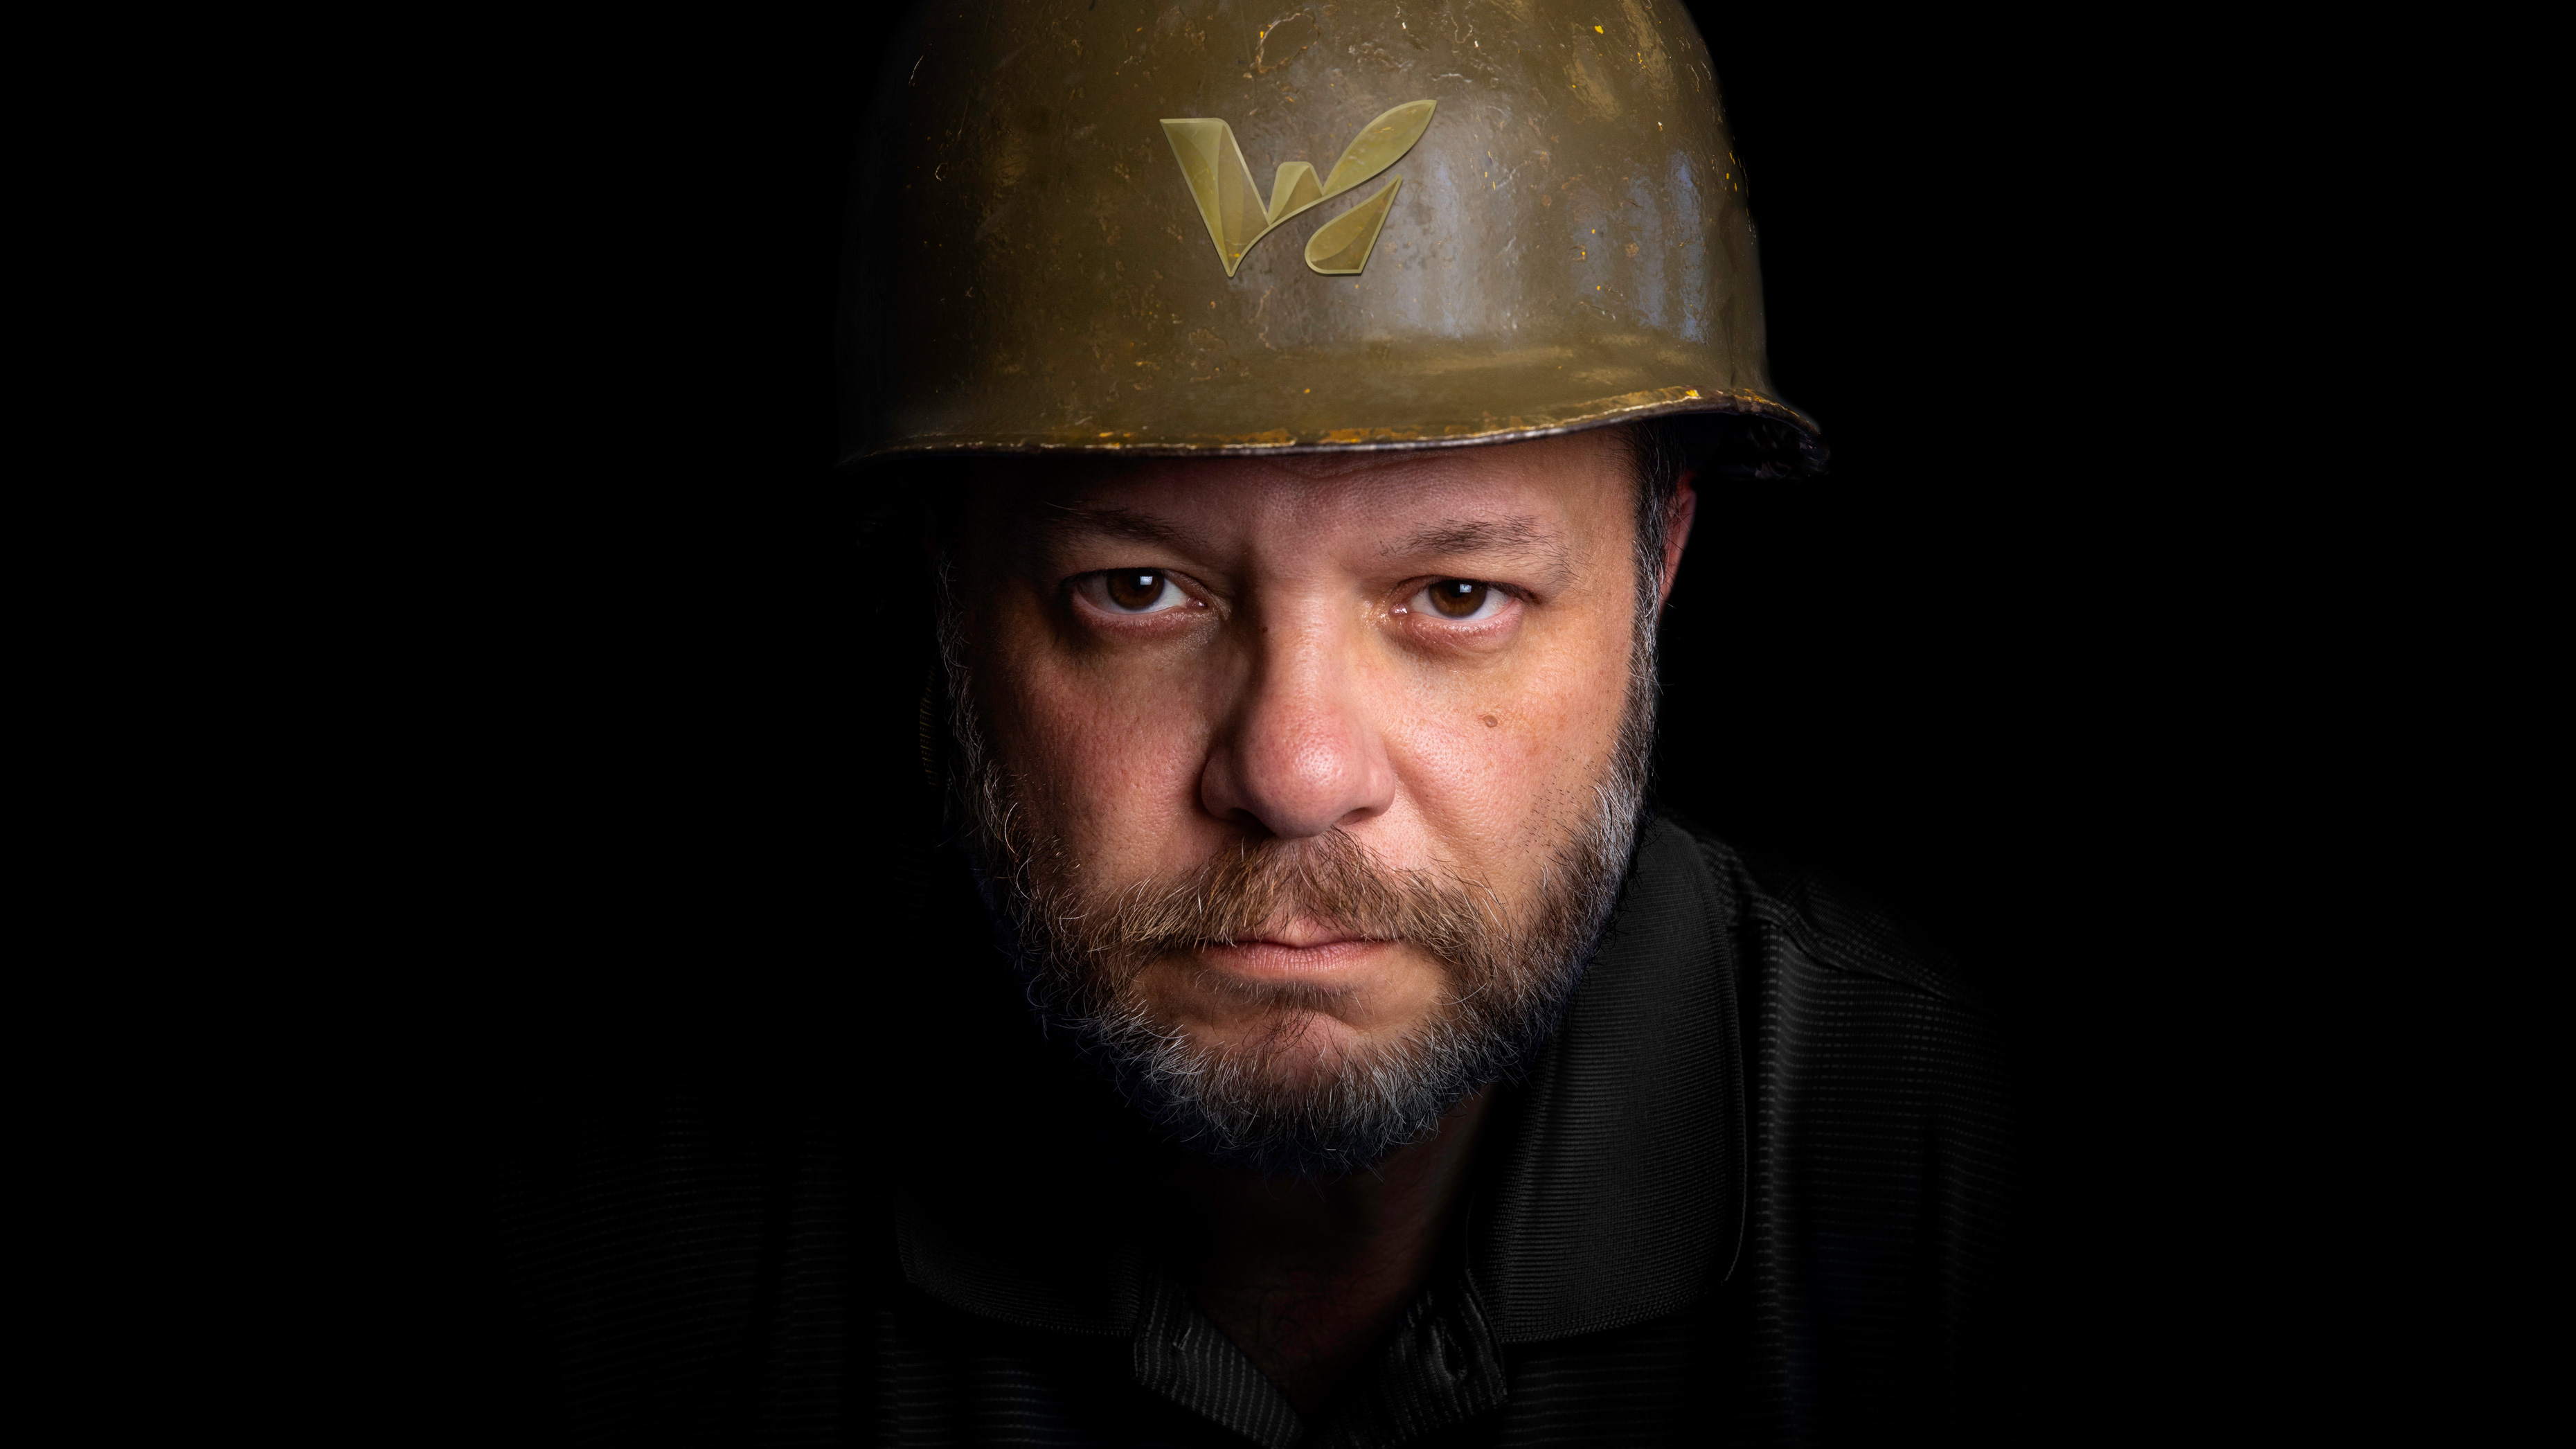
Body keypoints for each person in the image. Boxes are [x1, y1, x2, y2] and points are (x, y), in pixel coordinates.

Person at [496, 3, 2010, 1441]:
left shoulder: (1954, 1178)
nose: (1294, 773)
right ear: (947, 593)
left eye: (1458, 593)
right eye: (1140, 588)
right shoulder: (618, 1246)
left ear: (1656, 561)